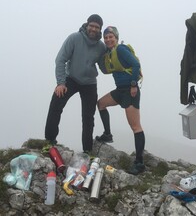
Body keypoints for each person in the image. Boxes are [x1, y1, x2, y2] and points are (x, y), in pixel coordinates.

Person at [45, 14, 106, 154]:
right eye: (91, 25)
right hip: (71, 79)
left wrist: (113, 56)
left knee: (88, 117)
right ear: (87, 25)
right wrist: (60, 83)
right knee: (56, 104)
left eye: (97, 27)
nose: (93, 29)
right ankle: (50, 141)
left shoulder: (101, 47)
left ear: (100, 30)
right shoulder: (74, 38)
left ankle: (87, 150)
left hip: (89, 83)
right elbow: (60, 60)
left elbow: (104, 68)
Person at [96, 26, 145, 175]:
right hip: (120, 90)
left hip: (130, 90)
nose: (108, 39)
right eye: (106, 37)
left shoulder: (121, 49)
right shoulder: (110, 54)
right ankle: (107, 134)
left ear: (116, 38)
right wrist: (98, 57)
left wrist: (133, 85)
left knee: (135, 127)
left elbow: (136, 64)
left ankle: (139, 162)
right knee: (101, 104)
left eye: (111, 37)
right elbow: (105, 70)